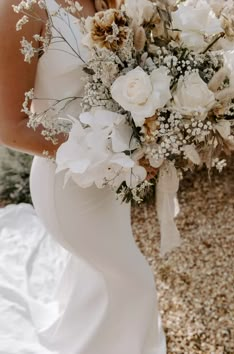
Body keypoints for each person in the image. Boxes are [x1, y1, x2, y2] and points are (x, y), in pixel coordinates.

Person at [0, 1, 167, 353]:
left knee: (96, 274)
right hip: (67, 185)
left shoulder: (104, 0)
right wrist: (111, 156)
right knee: (135, 280)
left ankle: (86, 336)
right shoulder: (20, 9)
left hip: (109, 178)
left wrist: (151, 132)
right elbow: (9, 128)